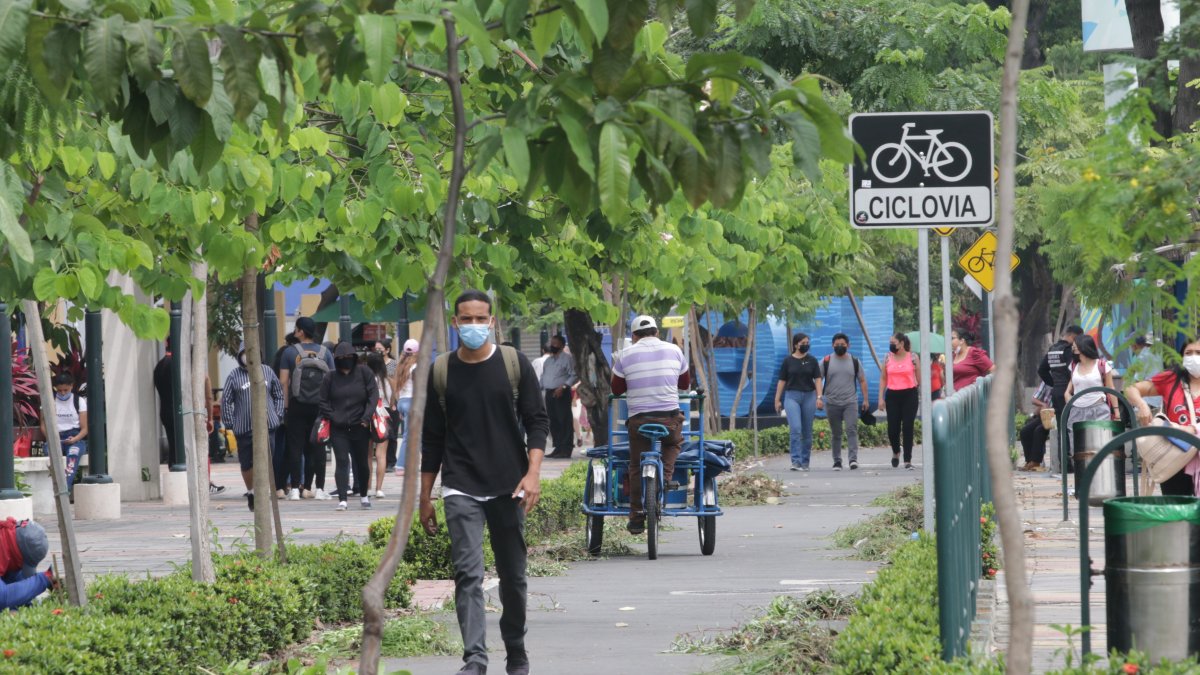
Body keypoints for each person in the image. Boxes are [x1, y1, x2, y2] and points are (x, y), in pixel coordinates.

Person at [420, 290, 548, 675]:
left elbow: (537, 421)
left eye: (480, 319)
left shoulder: (513, 363)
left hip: (510, 485)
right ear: (454, 322)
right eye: (466, 319)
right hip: (460, 484)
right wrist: (424, 496)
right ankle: (475, 659)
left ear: (492, 322)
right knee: (468, 574)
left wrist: (533, 473)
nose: (473, 325)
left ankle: (516, 649)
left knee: (514, 576)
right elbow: (432, 438)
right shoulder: (441, 370)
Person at [611, 315, 690, 534]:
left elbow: (616, 390)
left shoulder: (625, 354)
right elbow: (685, 384)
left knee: (636, 464)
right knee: (673, 443)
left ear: (634, 336)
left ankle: (636, 517)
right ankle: (665, 478)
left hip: (639, 421)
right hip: (669, 419)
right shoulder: (675, 350)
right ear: (657, 332)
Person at [1125, 336, 1200, 496]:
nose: (1194, 358)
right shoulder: (1171, 379)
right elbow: (1131, 389)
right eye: (1188, 353)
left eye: (1199, 353)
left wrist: (1192, 429)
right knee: (1177, 508)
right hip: (1175, 459)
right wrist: (1142, 405)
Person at [221, 346, 285, 512]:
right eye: (244, 354)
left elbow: (278, 394)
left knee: (267, 459)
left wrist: (278, 415)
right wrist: (229, 422)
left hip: (268, 425)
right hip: (244, 427)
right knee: (246, 463)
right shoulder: (234, 375)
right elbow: (226, 400)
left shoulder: (267, 371)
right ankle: (251, 491)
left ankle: (263, 491)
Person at [280, 317, 335, 501]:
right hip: (320, 406)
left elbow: (283, 382)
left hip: (297, 405)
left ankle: (295, 489)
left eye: (296, 329)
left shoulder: (289, 352)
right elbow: (331, 380)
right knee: (318, 447)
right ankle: (318, 489)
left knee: (295, 447)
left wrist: (285, 407)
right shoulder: (325, 353)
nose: (294, 331)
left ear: (301, 331)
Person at [320, 342, 378, 511]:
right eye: (341, 358)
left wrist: (366, 417)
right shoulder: (330, 377)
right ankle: (343, 499)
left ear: (354, 357)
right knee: (342, 461)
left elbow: (373, 395)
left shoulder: (364, 372)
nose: (345, 360)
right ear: (336, 359)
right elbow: (323, 401)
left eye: (348, 357)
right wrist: (334, 416)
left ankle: (364, 495)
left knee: (362, 462)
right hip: (338, 427)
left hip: (360, 425)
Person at [774, 332, 822, 471]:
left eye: (807, 343)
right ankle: (796, 461)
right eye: (803, 343)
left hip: (809, 396)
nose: (806, 345)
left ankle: (805, 461)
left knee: (807, 431)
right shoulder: (788, 361)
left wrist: (819, 397)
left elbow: (818, 379)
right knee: (795, 428)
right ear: (796, 345)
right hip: (792, 396)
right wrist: (777, 399)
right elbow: (782, 381)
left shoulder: (812, 360)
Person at [821, 333, 869, 470]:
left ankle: (853, 459)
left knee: (851, 430)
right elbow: (818, 379)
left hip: (850, 402)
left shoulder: (854, 361)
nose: (840, 347)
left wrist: (865, 399)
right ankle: (837, 461)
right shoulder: (826, 361)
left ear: (848, 345)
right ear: (832, 345)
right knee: (836, 433)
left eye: (842, 344)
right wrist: (818, 397)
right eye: (837, 345)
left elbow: (862, 380)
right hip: (832, 402)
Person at [1063, 334, 1118, 452]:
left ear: (1085, 346)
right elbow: (1069, 390)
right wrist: (1068, 398)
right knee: (1078, 449)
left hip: (1098, 409)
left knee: (1100, 446)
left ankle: (1100, 464)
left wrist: (1117, 413)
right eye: (1073, 345)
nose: (1073, 347)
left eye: (1076, 345)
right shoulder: (1073, 365)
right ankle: (1080, 465)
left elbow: (1111, 389)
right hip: (1077, 411)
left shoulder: (1102, 365)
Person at [879, 332, 920, 469]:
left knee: (908, 427)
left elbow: (919, 378)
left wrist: (923, 395)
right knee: (892, 429)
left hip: (909, 394)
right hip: (892, 395)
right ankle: (896, 451)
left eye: (893, 343)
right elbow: (883, 378)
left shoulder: (913, 357)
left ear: (901, 344)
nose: (891, 345)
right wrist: (880, 398)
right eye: (890, 343)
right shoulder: (887, 358)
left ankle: (907, 459)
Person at [0, 518, 58, 609]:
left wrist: (27, 601)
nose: (20, 568)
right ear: (17, 553)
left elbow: (15, 578)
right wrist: (45, 579)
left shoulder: (6, 538)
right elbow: (2, 598)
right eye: (22, 564)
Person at [42, 373, 87, 490]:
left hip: (75, 438)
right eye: (59, 390)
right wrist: (51, 439)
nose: (62, 393)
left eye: (66, 390)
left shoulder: (79, 401)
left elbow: (85, 428)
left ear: (71, 386)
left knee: (73, 456)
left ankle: (63, 490)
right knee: (51, 455)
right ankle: (57, 488)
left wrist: (75, 439)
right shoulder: (49, 400)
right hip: (54, 437)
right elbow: (43, 425)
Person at [270, 334, 300, 496]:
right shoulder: (293, 356)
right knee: (291, 448)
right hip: (291, 408)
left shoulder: (280, 354)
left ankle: (278, 486)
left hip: (276, 410)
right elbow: (285, 383)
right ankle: (287, 482)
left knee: (278, 448)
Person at [540, 334, 578, 459]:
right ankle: (558, 447)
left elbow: (574, 374)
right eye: (551, 343)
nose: (552, 346)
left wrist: (564, 387)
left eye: (555, 343)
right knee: (553, 420)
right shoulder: (548, 361)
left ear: (561, 345)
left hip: (561, 392)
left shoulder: (567, 359)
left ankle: (566, 448)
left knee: (564, 420)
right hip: (549, 393)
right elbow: (543, 376)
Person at [366, 352, 393, 499]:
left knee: (368, 455)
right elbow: (392, 401)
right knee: (381, 455)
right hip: (383, 417)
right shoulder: (386, 381)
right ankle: (379, 489)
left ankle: (368, 487)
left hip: (368, 417)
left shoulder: (366, 379)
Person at [392, 339, 419, 476]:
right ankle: (401, 465)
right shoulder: (415, 367)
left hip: (402, 401)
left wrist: (399, 406)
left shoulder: (400, 366)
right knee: (409, 436)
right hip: (412, 402)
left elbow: (396, 388)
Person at [1018, 384, 1052, 472]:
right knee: (1025, 431)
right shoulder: (1046, 382)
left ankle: (1036, 461)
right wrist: (1043, 404)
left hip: (1055, 415)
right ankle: (1029, 461)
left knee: (1039, 431)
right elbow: (1034, 399)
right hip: (1044, 415)